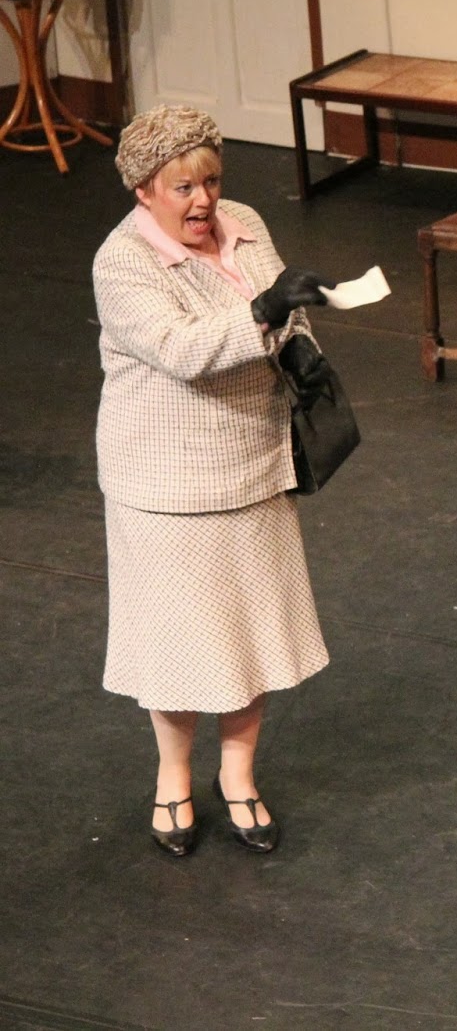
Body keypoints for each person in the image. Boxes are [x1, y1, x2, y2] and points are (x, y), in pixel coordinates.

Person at [93, 105, 333, 857]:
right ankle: (172, 778)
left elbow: (282, 312)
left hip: (252, 464)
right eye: (183, 188)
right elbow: (182, 349)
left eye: (212, 182)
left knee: (249, 632)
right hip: (167, 484)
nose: (204, 201)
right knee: (177, 643)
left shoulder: (246, 223)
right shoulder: (121, 264)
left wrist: (301, 340)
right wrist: (265, 309)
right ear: (143, 190)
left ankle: (238, 776)